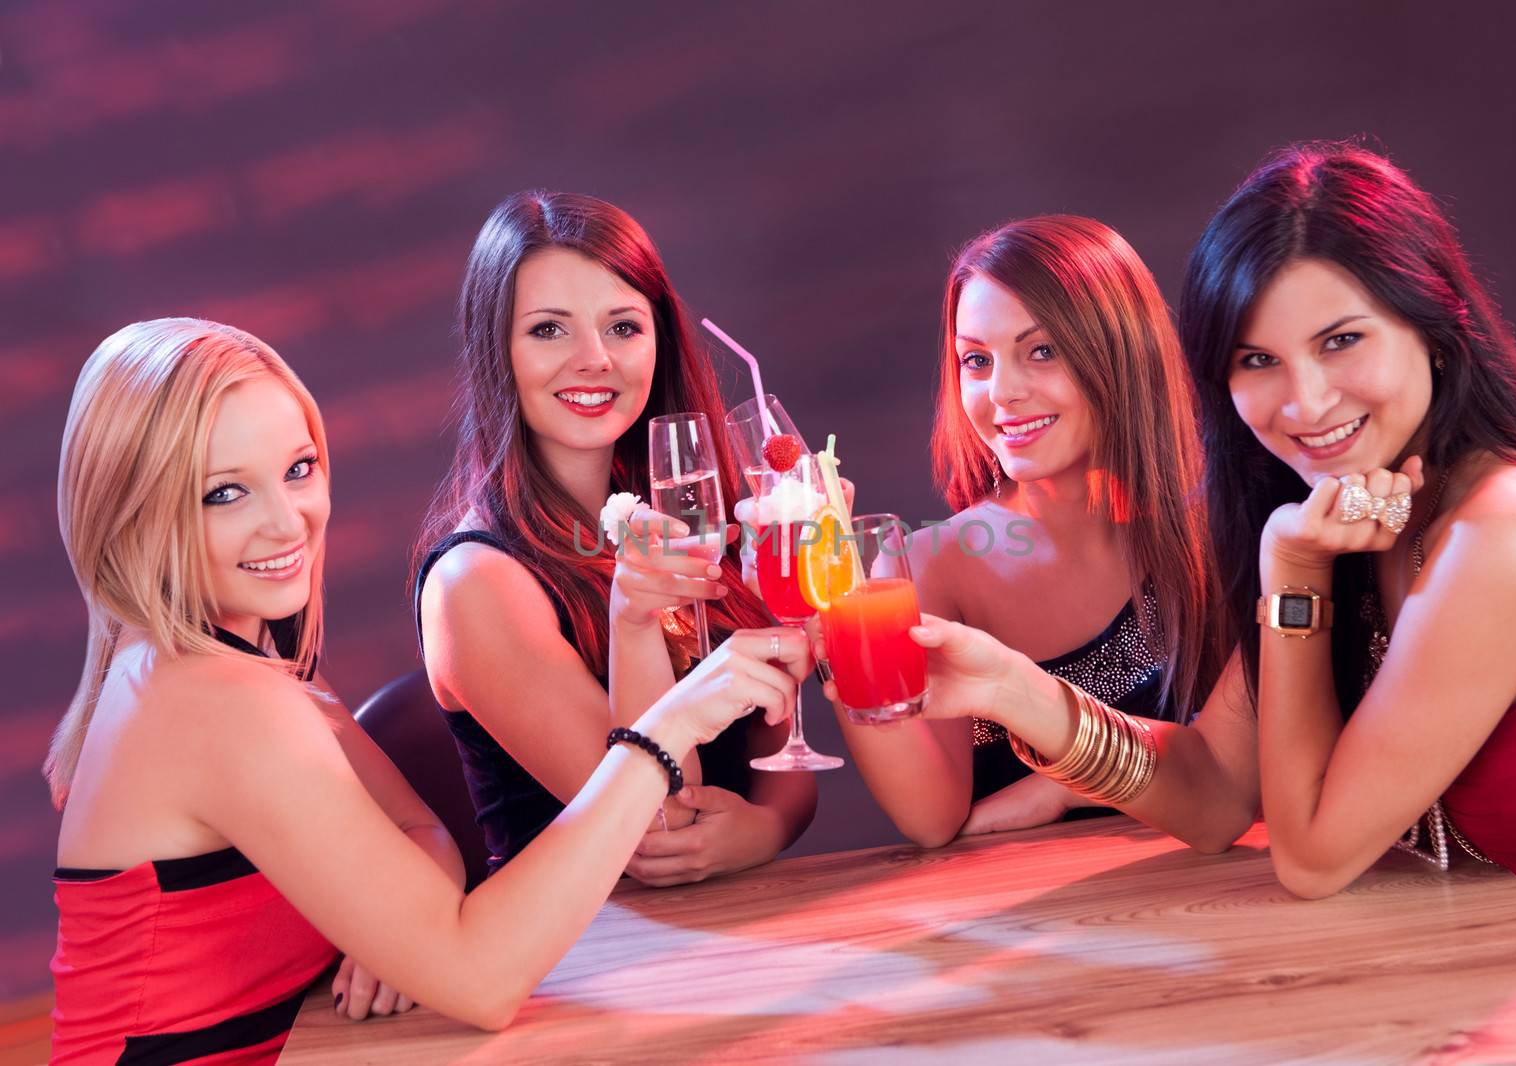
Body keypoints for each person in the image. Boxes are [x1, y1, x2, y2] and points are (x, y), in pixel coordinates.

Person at [47, 318, 808, 1061]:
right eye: (223, 494)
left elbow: (423, 836)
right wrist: (666, 730)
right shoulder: (213, 699)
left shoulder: (236, 654)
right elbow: (483, 983)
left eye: (298, 469)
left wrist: (395, 935)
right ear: (132, 511)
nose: (287, 523)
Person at [1178, 141, 1516, 942]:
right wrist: (1017, 698)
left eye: (1341, 341)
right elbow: (1216, 789)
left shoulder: (1508, 535)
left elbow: (1311, 858)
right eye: (1258, 360)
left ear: (1435, 329)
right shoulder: (1377, 517)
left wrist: (1293, 569)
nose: (1303, 402)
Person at [415, 191, 815, 887]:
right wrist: (632, 621)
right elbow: (658, 825)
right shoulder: (473, 582)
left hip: (736, 930)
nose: (594, 358)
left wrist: (770, 826)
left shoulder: (689, 513)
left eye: (623, 327)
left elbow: (780, 760)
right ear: (496, 350)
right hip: (581, 958)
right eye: (548, 330)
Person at [824, 216, 1257, 852]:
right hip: (1028, 921)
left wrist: (1069, 784)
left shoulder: (1220, 525)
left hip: (1230, 903)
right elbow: (930, 819)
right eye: (976, 360)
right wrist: (832, 610)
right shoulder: (925, 565)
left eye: (1042, 351)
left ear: (1122, 352)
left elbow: (1257, 770)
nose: (1001, 393)